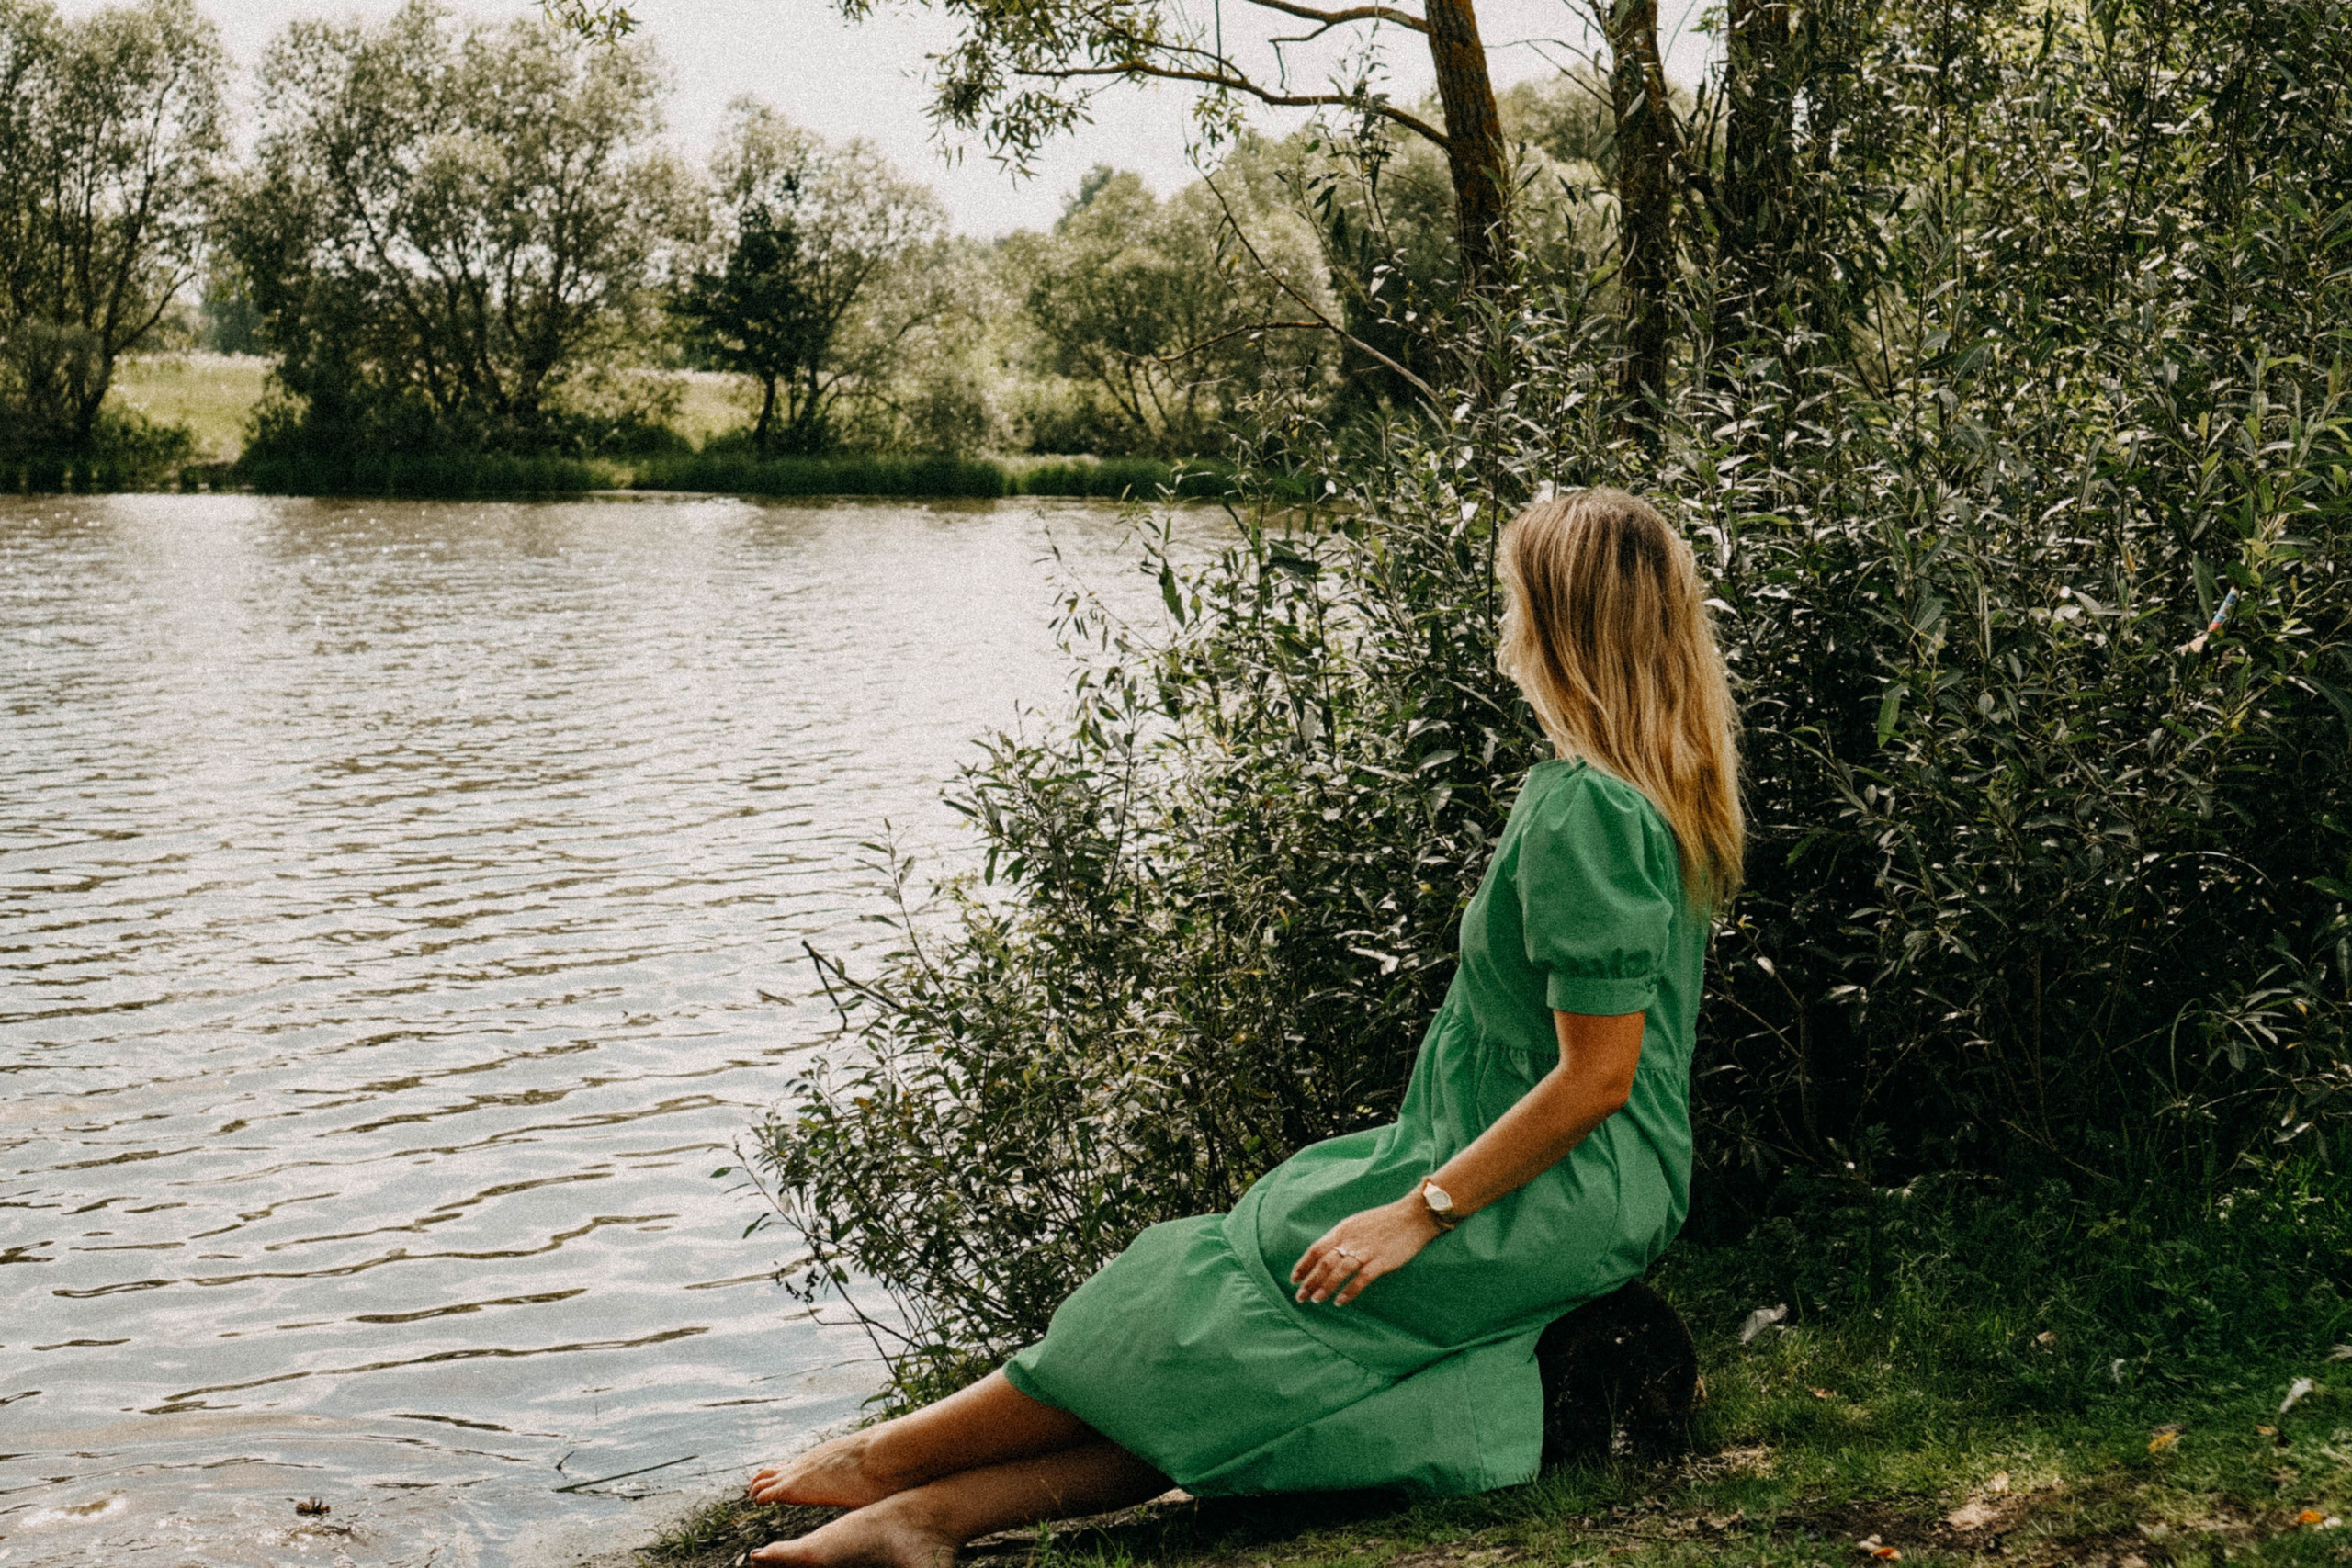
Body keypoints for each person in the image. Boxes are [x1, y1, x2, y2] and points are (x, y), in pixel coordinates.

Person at [744, 486, 1745, 1568]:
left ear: (1552, 623)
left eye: (1510, 602)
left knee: (1233, 1291)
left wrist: (1420, 1211)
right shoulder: (1660, 790)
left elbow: (1595, 1078)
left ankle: (889, 1461)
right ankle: (920, 1516)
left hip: (1559, 1181)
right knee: (1261, 1314)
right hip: (1568, 1167)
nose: (1501, 627)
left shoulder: (1584, 806)